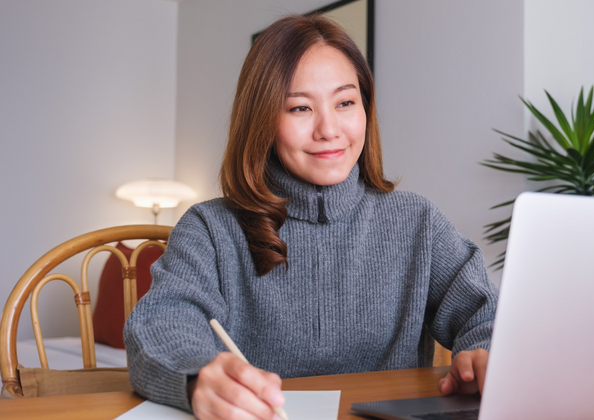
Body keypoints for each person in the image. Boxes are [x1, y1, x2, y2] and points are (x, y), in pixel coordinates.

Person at [124, 14, 498, 420]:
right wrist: (198, 377)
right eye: (300, 107)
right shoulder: (210, 229)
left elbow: (488, 315)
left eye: (345, 102)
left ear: (366, 108)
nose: (329, 129)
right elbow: (160, 325)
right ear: (263, 119)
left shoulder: (417, 222)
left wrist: (484, 355)